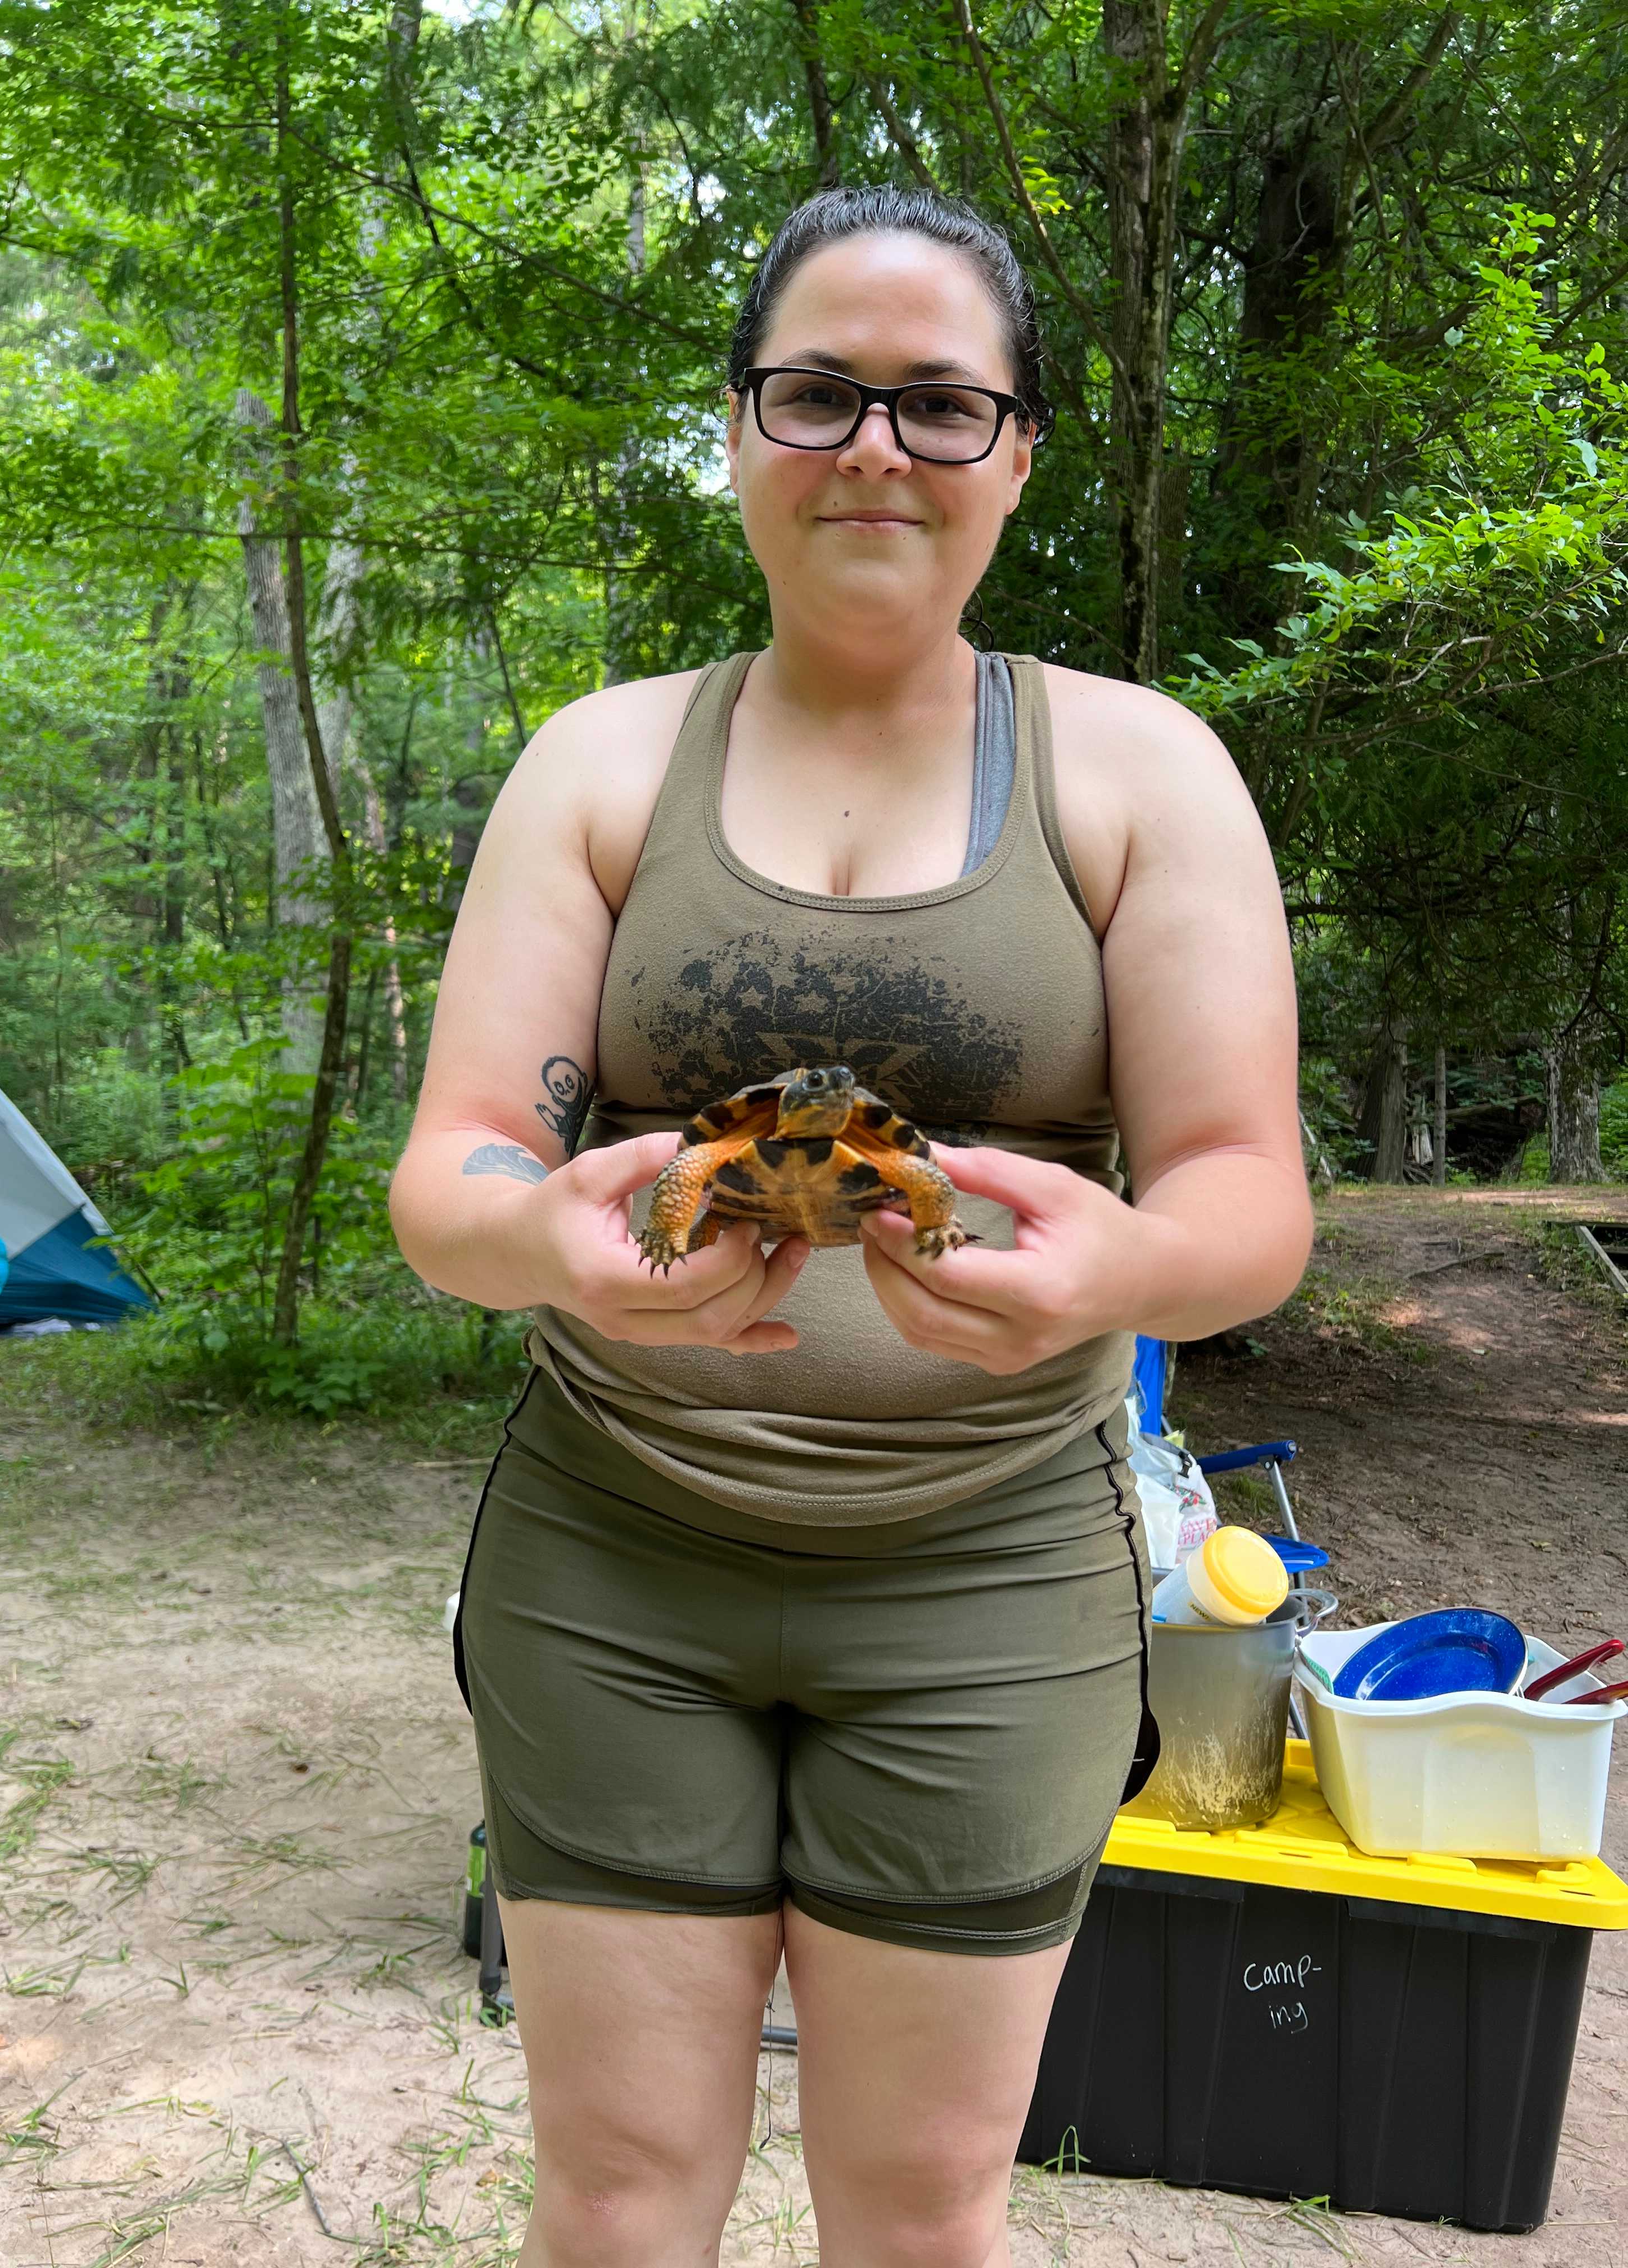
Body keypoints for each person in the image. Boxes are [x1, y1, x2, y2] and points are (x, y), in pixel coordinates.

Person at [390, 184, 1310, 2268]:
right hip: (614, 1555)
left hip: (994, 1580)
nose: (873, 449)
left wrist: (1133, 1266)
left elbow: (1249, 1201)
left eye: (937, 404)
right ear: (736, 432)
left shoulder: (1142, 772)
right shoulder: (604, 761)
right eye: (816, 395)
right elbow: (456, 1172)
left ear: (1020, 452)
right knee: (619, 2198)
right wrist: (546, 1241)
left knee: (919, 2205)